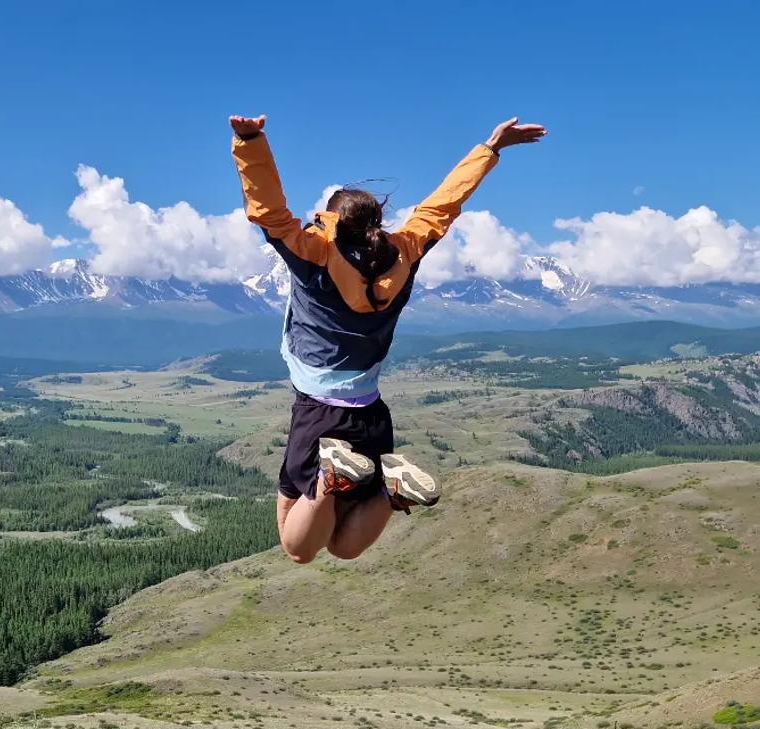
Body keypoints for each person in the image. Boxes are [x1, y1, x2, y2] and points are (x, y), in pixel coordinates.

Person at [230, 112, 546, 564]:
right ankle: (391, 492)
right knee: (342, 547)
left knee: (297, 547)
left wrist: (250, 139)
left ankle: (328, 479)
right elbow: (440, 207)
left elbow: (269, 213)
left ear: (333, 222)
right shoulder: (406, 251)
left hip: (320, 415)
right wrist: (489, 149)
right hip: (371, 416)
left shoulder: (316, 255)